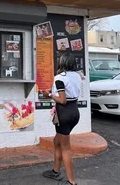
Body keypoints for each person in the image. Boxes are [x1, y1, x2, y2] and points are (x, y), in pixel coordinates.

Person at [42, 52, 81, 185]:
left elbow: (62, 100)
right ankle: (55, 171)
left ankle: (72, 182)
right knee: (57, 141)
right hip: (74, 111)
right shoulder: (77, 75)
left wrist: (49, 94)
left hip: (64, 113)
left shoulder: (59, 78)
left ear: (62, 63)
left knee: (65, 147)